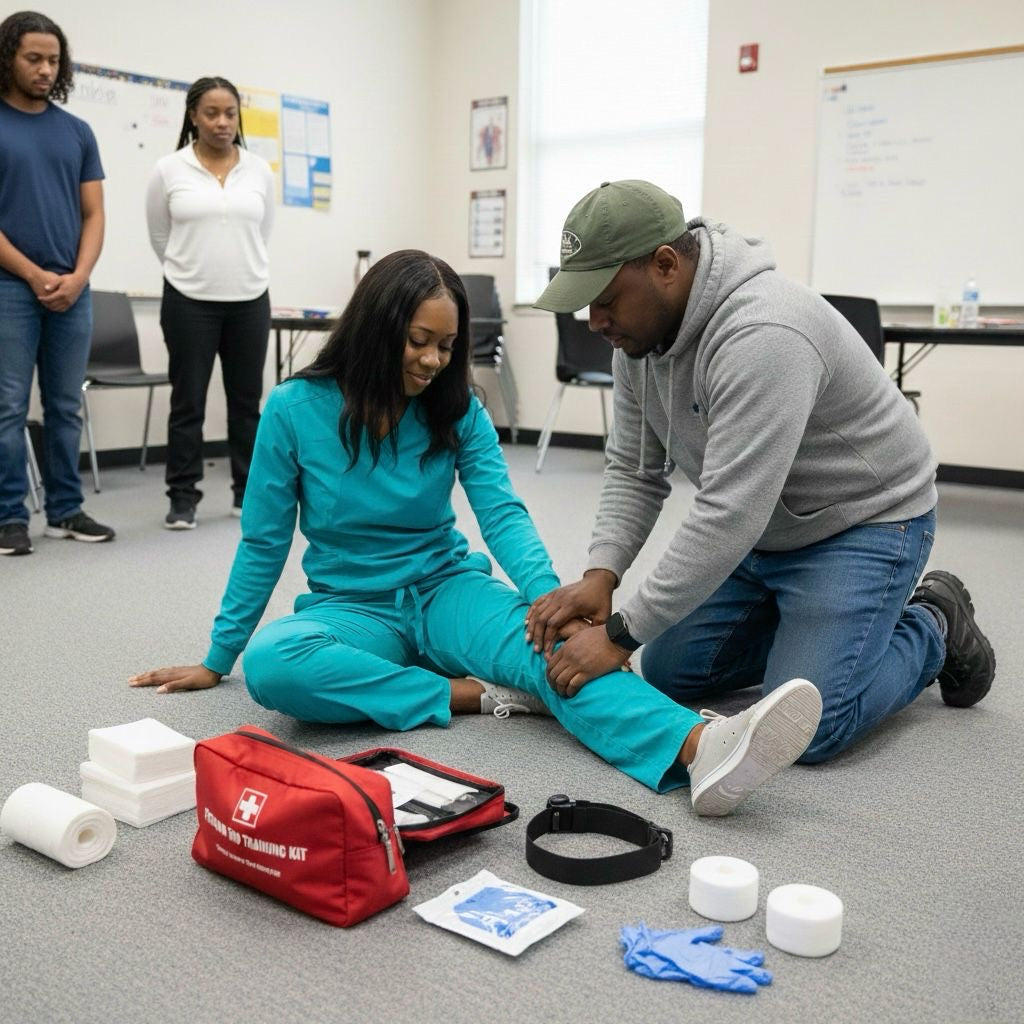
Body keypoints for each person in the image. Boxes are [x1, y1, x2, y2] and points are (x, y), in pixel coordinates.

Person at [130, 248, 823, 817]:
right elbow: (263, 541)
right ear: (375, 328)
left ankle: (701, 748)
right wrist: (219, 656)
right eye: (419, 342)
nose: (434, 362)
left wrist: (551, 602)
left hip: (446, 589)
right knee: (274, 663)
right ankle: (475, 693)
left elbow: (501, 513)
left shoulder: (457, 408)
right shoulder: (292, 409)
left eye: (447, 346)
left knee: (558, 652)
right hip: (351, 608)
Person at [527, 179, 996, 764]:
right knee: (671, 672)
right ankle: (819, 627)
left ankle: (933, 622)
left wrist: (619, 634)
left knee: (810, 729)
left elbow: (729, 513)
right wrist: (603, 574)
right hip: (768, 528)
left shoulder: (763, 333)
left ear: (665, 265)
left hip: (866, 522)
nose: (595, 321)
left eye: (605, 298)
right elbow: (634, 471)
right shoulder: (637, 344)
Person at [0, 10, 115, 556]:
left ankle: (65, 510)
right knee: (8, 407)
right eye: (33, 58)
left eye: (53, 60)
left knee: (65, 406)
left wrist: (79, 276)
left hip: (73, 289)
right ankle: (8, 516)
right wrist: (34, 273)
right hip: (9, 287)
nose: (45, 69)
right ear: (9, 58)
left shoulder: (77, 131)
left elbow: (94, 214)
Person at [146, 76, 275, 530]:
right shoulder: (169, 169)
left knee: (247, 403)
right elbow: (160, 236)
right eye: (212, 113)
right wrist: (190, 271)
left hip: (249, 299)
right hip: (188, 301)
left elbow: (262, 232)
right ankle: (183, 498)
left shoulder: (259, 170)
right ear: (193, 117)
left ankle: (247, 493)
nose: (222, 122)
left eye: (230, 113)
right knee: (188, 403)